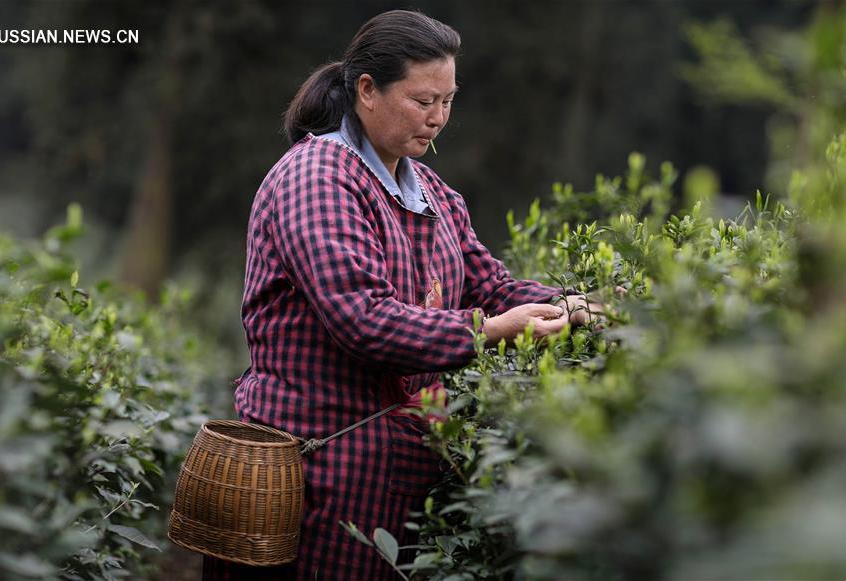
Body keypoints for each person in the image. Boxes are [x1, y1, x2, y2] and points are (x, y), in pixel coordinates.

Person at [203, 9, 600, 581]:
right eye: (423, 101)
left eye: (448, 100)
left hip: (397, 466)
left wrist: (575, 304)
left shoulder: (434, 193)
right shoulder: (316, 178)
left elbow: (491, 285)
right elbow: (363, 320)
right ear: (367, 90)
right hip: (315, 467)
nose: (439, 118)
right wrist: (489, 331)